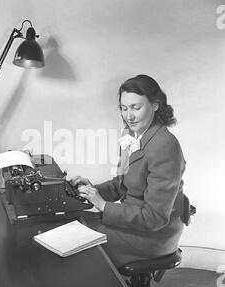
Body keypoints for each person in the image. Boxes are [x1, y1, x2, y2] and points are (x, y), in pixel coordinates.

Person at [70, 74, 186, 269]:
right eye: (124, 108)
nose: (128, 116)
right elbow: (120, 184)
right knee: (74, 224)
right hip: (130, 222)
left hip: (152, 236)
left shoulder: (166, 146)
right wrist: (91, 190)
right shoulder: (130, 134)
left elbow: (154, 218)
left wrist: (103, 206)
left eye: (136, 107)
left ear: (155, 105)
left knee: (80, 247)